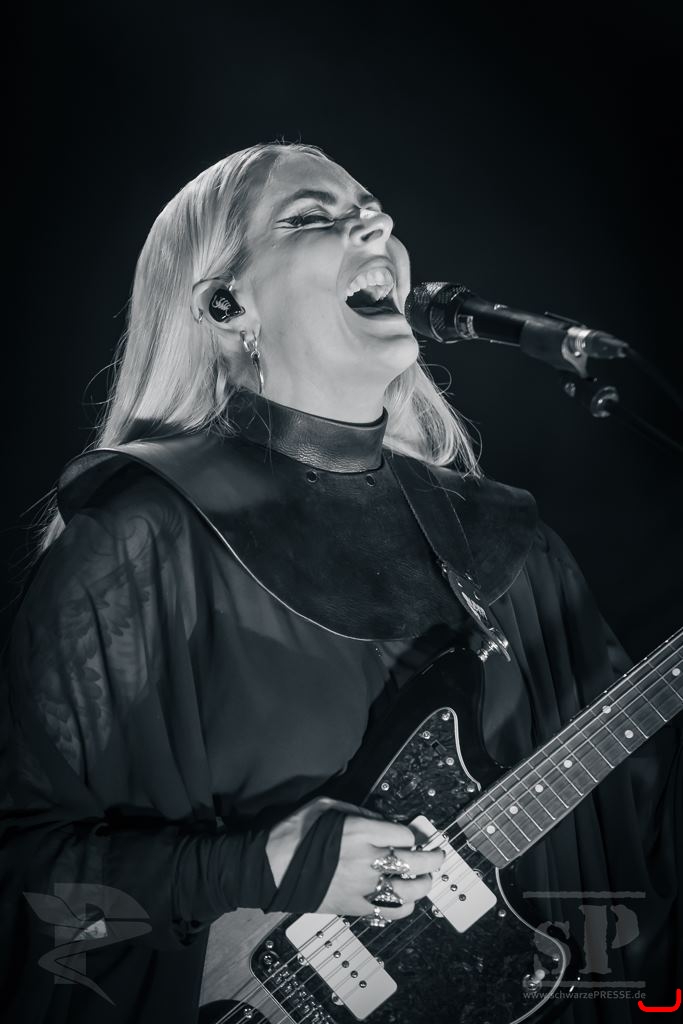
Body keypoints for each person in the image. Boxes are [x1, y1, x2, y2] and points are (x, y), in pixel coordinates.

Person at [0, 142, 680, 1024]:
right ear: (225, 304)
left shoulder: (506, 542)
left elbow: (641, 822)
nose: (376, 223)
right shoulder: (144, 540)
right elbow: (24, 878)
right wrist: (251, 868)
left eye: (375, 211)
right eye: (313, 217)